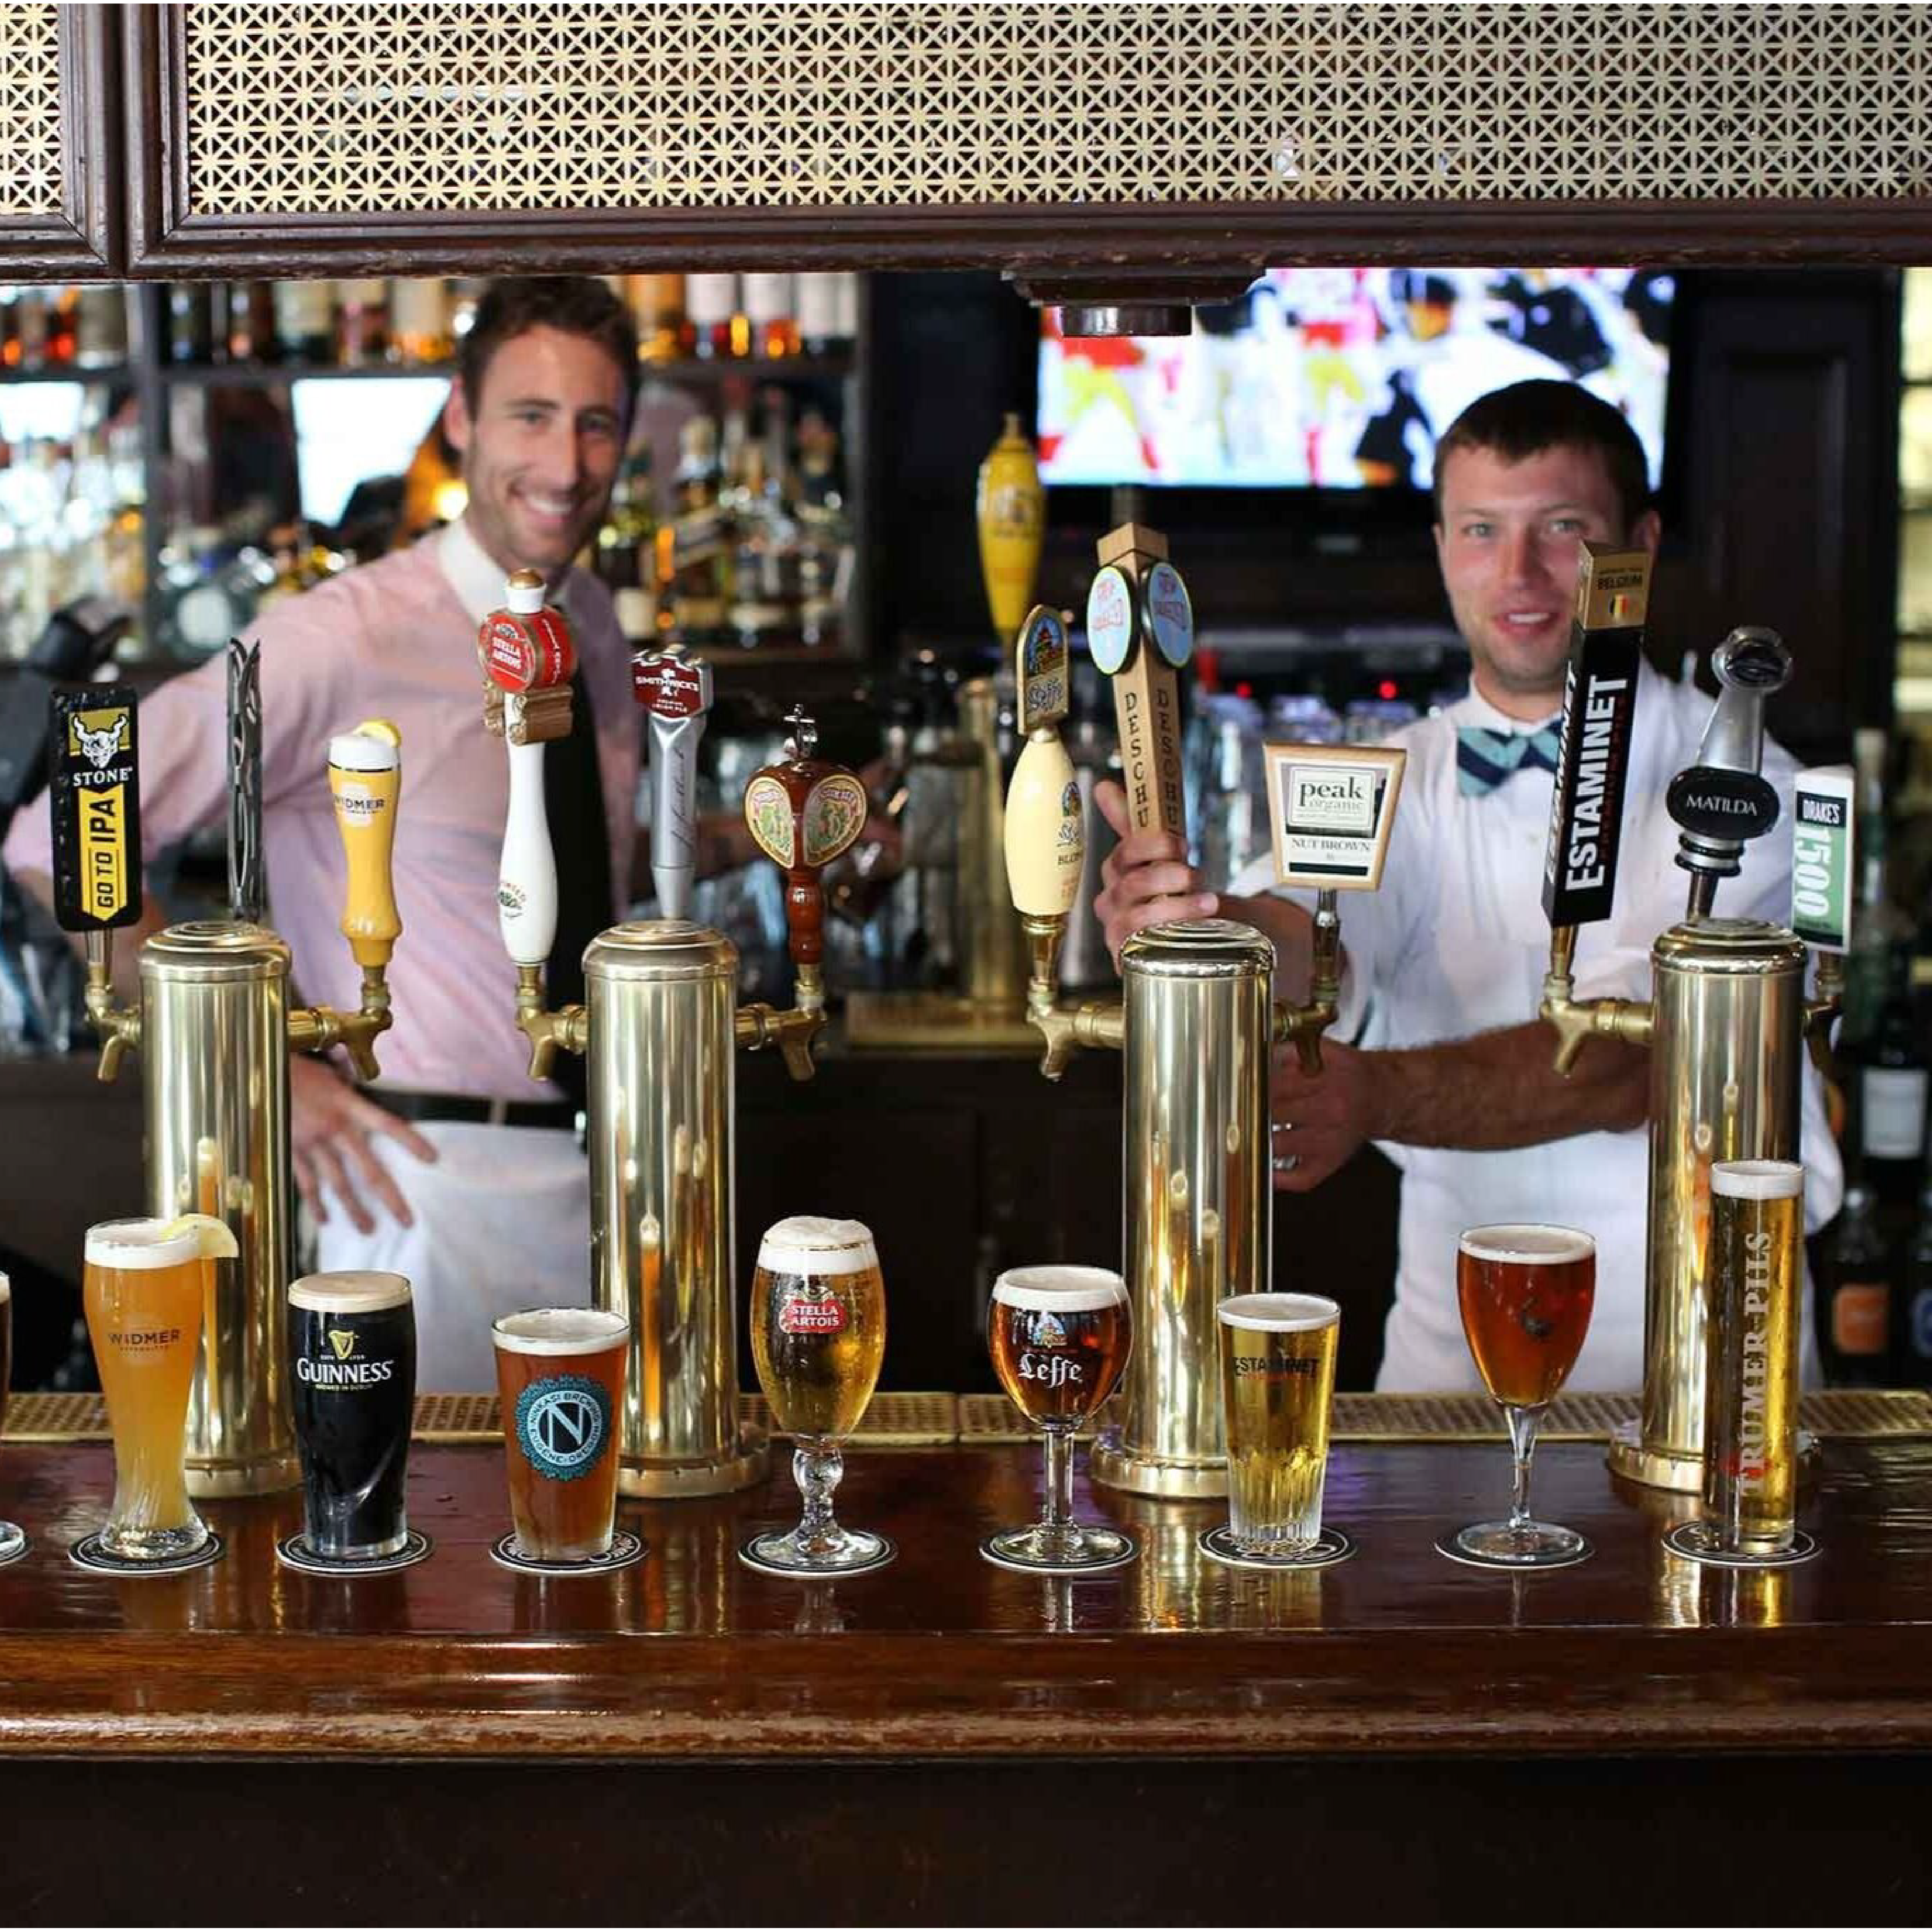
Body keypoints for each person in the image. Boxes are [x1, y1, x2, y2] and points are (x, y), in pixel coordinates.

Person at [1094, 379, 1842, 1392]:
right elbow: (1304, 934)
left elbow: (1647, 1059)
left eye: (1563, 528)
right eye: (1482, 529)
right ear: (1443, 545)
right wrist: (1192, 927)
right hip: (1447, 1380)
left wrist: (1374, 1094)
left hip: (1703, 1368)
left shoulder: (1746, 789)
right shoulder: (1398, 772)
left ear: (1642, 544)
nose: (1520, 571)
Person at [4, 276, 641, 1391]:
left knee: (587, 1545)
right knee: (426, 1547)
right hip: (412, 1179)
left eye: (596, 424)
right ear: (459, 418)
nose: (567, 464)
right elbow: (62, 831)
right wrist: (258, 1068)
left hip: (609, 1162)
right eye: (531, 418)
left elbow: (589, 846)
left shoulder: (587, 621)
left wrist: (788, 831)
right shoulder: (341, 639)